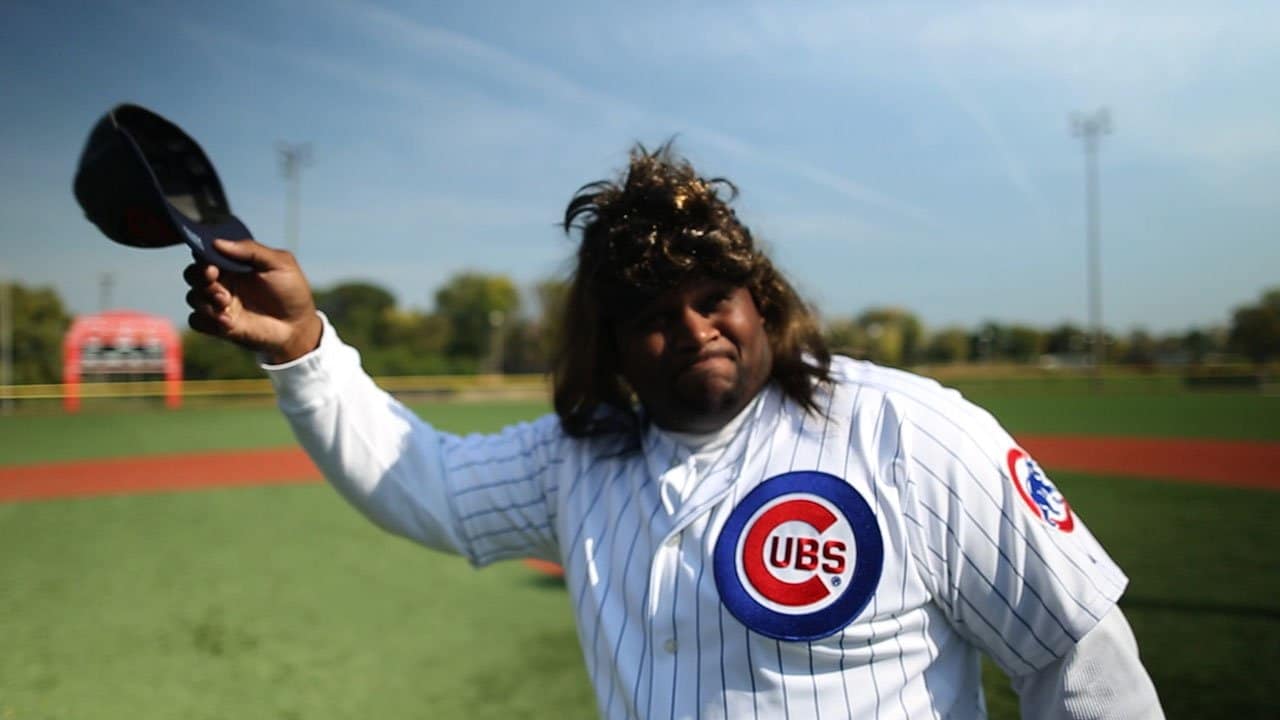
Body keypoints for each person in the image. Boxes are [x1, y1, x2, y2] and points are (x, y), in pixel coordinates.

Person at [184, 144, 1164, 719]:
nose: (695, 324)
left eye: (714, 295)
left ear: (759, 299)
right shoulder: (580, 457)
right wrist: (300, 347)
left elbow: (1075, 660)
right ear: (608, 342)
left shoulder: (905, 430)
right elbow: (422, 479)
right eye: (655, 308)